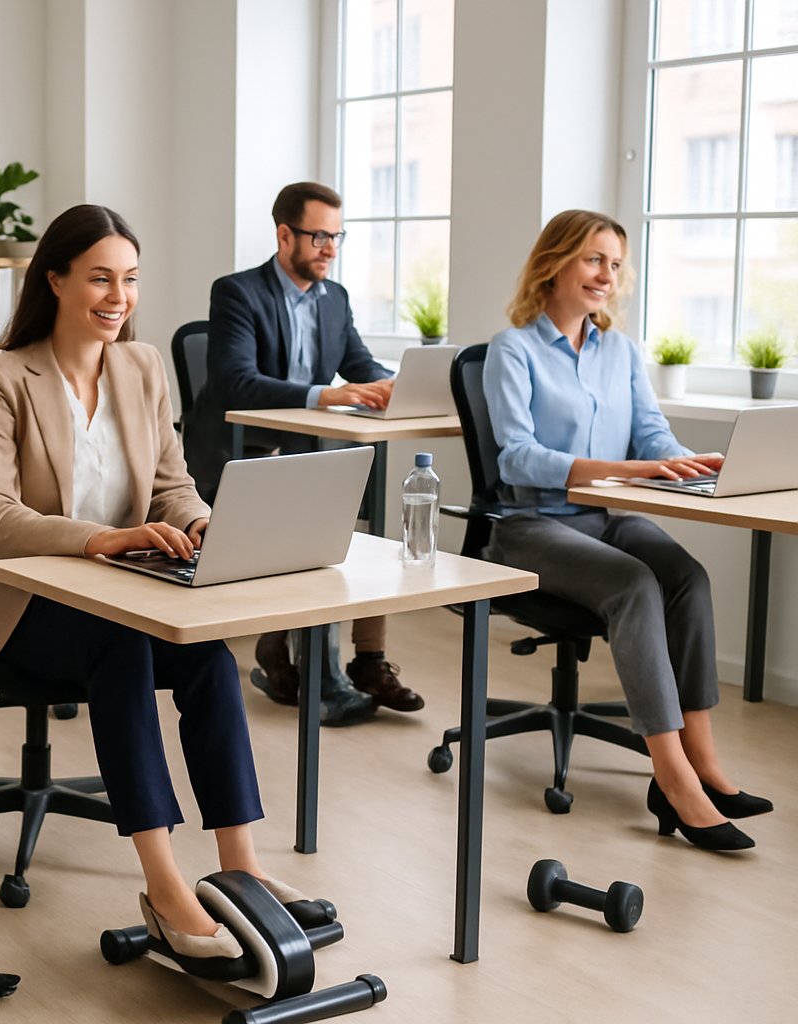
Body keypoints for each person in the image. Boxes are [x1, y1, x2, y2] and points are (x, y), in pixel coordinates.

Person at [0, 204, 309, 959]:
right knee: (122, 645)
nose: (118, 297)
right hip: (25, 605)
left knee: (204, 652)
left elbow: (173, 483)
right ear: (56, 279)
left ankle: (242, 867)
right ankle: (165, 886)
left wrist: (200, 523)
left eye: (130, 280)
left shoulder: (142, 367)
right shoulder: (1, 378)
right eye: (100, 277)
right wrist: (104, 539)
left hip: (123, 593)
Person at [484, 209, 772, 851]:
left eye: (615, 264)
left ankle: (704, 761)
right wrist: (629, 466)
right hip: (532, 525)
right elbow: (516, 458)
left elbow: (651, 435)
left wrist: (688, 462)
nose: (606, 274)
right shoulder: (514, 348)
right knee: (635, 584)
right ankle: (671, 778)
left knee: (685, 578)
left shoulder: (621, 351)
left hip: (608, 518)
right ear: (555, 262)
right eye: (593, 259)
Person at [184, 181, 424, 723]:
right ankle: (325, 680)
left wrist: (394, 388)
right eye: (319, 236)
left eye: (338, 237)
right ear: (284, 234)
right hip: (233, 455)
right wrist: (326, 394)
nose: (330, 249)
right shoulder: (238, 292)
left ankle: (367, 661)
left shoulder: (334, 299)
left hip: (299, 455)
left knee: (362, 532)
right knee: (320, 535)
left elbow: (361, 366)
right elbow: (236, 383)